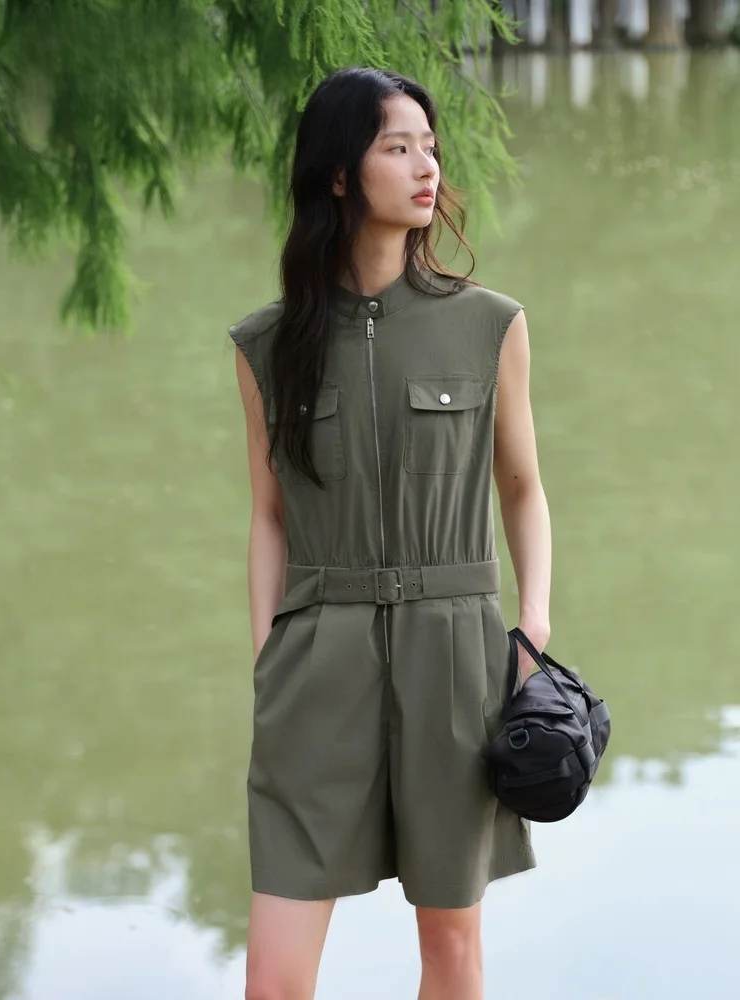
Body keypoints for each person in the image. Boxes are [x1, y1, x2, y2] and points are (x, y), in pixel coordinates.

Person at [229, 66, 551, 1000]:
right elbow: (267, 516)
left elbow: (524, 491)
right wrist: (269, 658)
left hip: (454, 651)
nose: (426, 166)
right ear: (338, 174)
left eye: (429, 144)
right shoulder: (268, 343)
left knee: (450, 953)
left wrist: (530, 632)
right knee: (274, 980)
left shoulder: (491, 324)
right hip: (315, 658)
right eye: (395, 146)